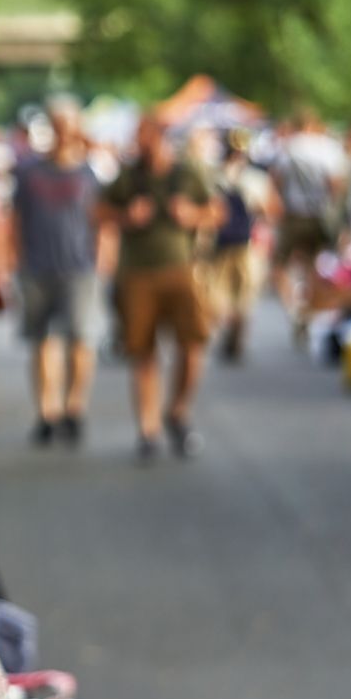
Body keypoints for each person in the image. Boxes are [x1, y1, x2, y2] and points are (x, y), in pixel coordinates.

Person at [98, 115, 222, 461]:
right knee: (143, 352)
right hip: (136, 273)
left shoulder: (186, 173)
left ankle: (178, 410)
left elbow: (217, 211)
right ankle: (148, 428)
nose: (142, 145)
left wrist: (192, 215)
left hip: (181, 269)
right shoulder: (129, 176)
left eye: (146, 137)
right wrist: (126, 217)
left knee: (192, 344)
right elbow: (98, 212)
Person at [11, 100, 101, 446]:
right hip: (37, 265)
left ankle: (73, 407)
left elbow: (100, 219)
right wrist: (13, 259)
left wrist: (102, 257)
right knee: (42, 340)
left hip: (78, 267)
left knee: (81, 339)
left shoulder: (88, 172)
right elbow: (15, 220)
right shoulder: (29, 172)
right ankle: (46, 411)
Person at [271, 108, 346, 342]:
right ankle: (309, 312)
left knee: (279, 265)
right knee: (314, 266)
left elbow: (276, 180)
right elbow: (335, 185)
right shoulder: (328, 147)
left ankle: (294, 309)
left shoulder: (288, 147)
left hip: (294, 215)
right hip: (319, 216)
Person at [205, 130, 277, 363]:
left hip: (219, 242)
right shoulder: (255, 178)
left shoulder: (213, 176)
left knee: (218, 292)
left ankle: (229, 330)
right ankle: (236, 333)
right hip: (248, 244)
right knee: (244, 294)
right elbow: (269, 211)